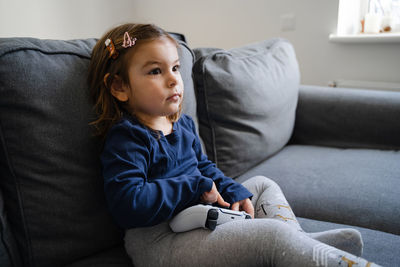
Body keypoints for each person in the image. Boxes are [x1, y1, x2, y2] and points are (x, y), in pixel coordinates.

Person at [88, 23, 380, 267]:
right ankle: (295, 247)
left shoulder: (183, 126)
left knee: (262, 185)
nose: (173, 80)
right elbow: (128, 203)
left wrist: (231, 190)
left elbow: (204, 168)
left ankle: (297, 242)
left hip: (203, 217)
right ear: (119, 87)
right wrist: (192, 186)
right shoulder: (127, 138)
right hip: (160, 241)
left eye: (175, 68)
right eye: (155, 71)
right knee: (270, 236)